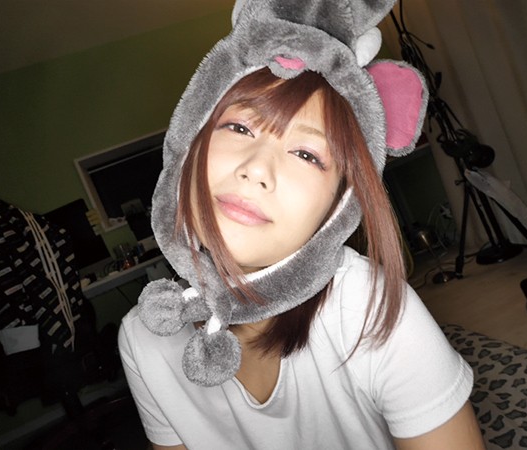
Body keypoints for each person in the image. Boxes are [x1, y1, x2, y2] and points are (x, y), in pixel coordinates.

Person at [119, 1, 485, 448]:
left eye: (307, 155)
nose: (257, 169)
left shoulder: (367, 308)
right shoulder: (144, 336)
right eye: (239, 128)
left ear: (338, 205)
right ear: (190, 142)